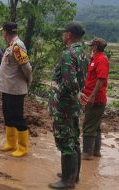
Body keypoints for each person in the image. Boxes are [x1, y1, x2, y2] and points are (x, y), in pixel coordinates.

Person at [48, 22, 88, 189]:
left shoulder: (68, 53)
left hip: (63, 104)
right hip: (73, 106)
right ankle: (73, 175)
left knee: (65, 140)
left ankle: (67, 180)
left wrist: (76, 93)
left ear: (69, 35)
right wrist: (78, 94)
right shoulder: (82, 53)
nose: (63, 35)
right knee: (73, 138)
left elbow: (69, 80)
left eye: (64, 33)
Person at [0, 22, 32, 157]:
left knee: (17, 117)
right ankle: (11, 143)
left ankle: (23, 147)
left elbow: (27, 68)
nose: (2, 34)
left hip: (15, 89)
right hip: (7, 88)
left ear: (6, 32)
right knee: (8, 116)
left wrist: (27, 82)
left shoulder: (17, 46)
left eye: (3, 32)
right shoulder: (11, 46)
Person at [80, 37, 109, 160]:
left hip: (95, 99)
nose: (89, 47)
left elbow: (101, 79)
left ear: (95, 47)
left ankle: (87, 154)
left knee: (88, 126)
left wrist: (91, 96)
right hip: (92, 97)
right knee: (95, 126)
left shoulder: (101, 59)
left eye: (90, 46)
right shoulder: (94, 59)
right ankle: (96, 151)